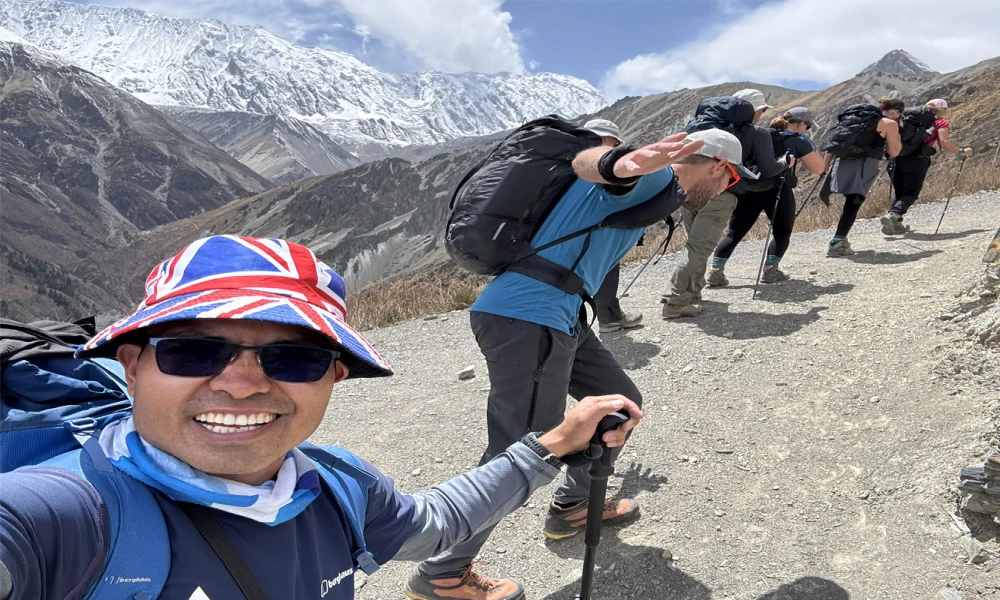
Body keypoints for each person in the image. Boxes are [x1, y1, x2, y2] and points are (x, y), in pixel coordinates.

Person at [0, 236, 644, 600]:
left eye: (294, 358)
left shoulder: (338, 485)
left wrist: (550, 445)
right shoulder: (58, 517)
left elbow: (435, 525)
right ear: (133, 365)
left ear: (334, 377)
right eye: (194, 350)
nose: (243, 384)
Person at [409, 129, 742, 599]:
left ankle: (574, 506)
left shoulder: (661, 188)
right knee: (523, 450)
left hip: (558, 314)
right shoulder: (655, 178)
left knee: (619, 404)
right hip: (530, 315)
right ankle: (443, 572)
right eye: (731, 177)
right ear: (715, 165)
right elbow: (592, 167)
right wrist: (616, 163)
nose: (728, 187)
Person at [661, 89, 792, 317]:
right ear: (754, 111)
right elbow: (769, 169)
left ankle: (693, 293)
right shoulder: (757, 133)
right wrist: (784, 163)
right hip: (721, 193)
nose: (761, 115)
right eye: (761, 111)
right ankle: (676, 301)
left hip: (687, 190)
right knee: (699, 247)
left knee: (695, 244)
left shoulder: (700, 128)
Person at [710, 107, 827, 284]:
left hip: (749, 188)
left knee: (734, 233)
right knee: (782, 232)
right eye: (808, 126)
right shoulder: (799, 140)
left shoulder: (762, 134)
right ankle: (770, 270)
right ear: (800, 123)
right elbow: (819, 169)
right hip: (778, 190)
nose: (807, 129)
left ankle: (715, 272)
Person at [582, 119, 644, 333]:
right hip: (599, 226)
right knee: (606, 267)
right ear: (604, 138)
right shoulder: (600, 162)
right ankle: (609, 318)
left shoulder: (570, 157)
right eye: (615, 143)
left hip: (568, 229)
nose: (616, 147)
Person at [880, 98, 974, 234]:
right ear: (943, 110)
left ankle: (896, 223)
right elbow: (944, 142)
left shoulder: (906, 118)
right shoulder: (940, 122)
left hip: (894, 158)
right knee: (911, 192)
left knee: (900, 192)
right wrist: (961, 151)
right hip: (917, 160)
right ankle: (893, 215)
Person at [825, 97, 903, 257]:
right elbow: (894, 152)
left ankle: (840, 239)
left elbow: (833, 145)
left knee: (850, 202)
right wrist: (897, 135)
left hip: (840, 163)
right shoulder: (889, 123)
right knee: (853, 203)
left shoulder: (853, 121)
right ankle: (837, 243)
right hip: (864, 164)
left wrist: (824, 167)